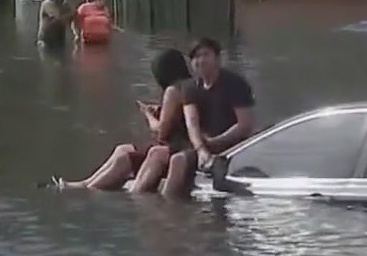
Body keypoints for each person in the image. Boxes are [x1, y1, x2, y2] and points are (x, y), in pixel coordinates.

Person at [56, 49, 192, 191]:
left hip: (175, 148)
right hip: (178, 145)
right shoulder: (190, 86)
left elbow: (161, 132)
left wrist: (148, 115)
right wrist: (160, 111)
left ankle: (92, 189)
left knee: (125, 158)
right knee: (122, 149)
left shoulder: (173, 91)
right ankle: (86, 183)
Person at [161, 37, 256, 200]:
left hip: (234, 145)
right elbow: (192, 123)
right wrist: (202, 150)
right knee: (172, 157)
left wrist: (216, 141)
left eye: (205, 55)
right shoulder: (190, 87)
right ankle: (166, 208)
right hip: (205, 145)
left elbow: (245, 125)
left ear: (217, 58)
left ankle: (170, 210)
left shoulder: (235, 84)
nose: (200, 60)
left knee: (178, 161)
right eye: (195, 57)